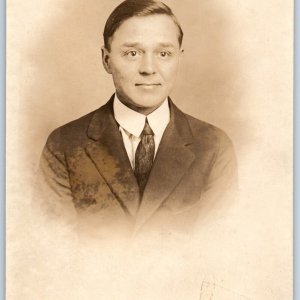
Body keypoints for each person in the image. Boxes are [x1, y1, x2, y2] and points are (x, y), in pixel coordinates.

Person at [35, 0, 237, 237]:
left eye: (164, 53)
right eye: (132, 53)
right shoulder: (64, 145)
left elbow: (218, 249)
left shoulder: (214, 147)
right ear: (106, 60)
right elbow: (55, 251)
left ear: (179, 59)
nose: (149, 68)